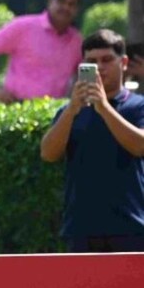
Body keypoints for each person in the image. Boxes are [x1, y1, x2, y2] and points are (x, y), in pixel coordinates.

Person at [40, 29, 144, 252]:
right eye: (92, 62)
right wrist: (71, 109)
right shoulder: (70, 111)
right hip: (80, 229)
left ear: (123, 62)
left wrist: (104, 107)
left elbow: (140, 146)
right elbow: (48, 154)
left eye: (107, 60)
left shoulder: (138, 106)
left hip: (131, 226)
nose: (100, 67)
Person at [0, 0, 83, 104]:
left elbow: (83, 69)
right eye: (61, 1)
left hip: (55, 111)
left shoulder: (76, 40)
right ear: (50, 2)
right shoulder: (23, 26)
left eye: (72, 4)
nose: (66, 7)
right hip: (17, 107)